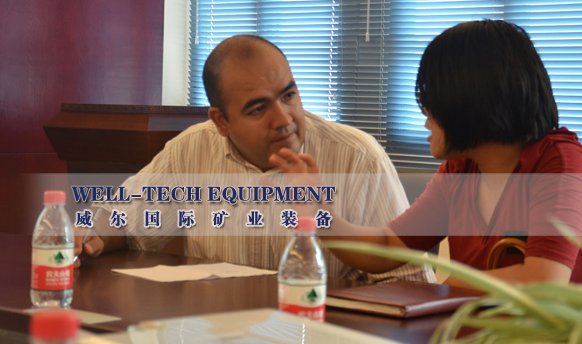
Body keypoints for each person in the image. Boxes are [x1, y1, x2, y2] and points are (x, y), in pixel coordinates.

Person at [270, 20, 582, 290]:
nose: (423, 113)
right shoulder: (461, 171)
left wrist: (451, 287)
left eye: (432, 99)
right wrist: (320, 214)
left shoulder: (559, 164)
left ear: (470, 101)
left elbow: (543, 281)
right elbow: (388, 246)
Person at [75, 35, 434, 283]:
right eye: (258, 108)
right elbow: (124, 216)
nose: (284, 118)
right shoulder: (191, 150)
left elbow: (409, 283)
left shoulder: (357, 158)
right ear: (221, 121)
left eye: (289, 95)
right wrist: (91, 233)